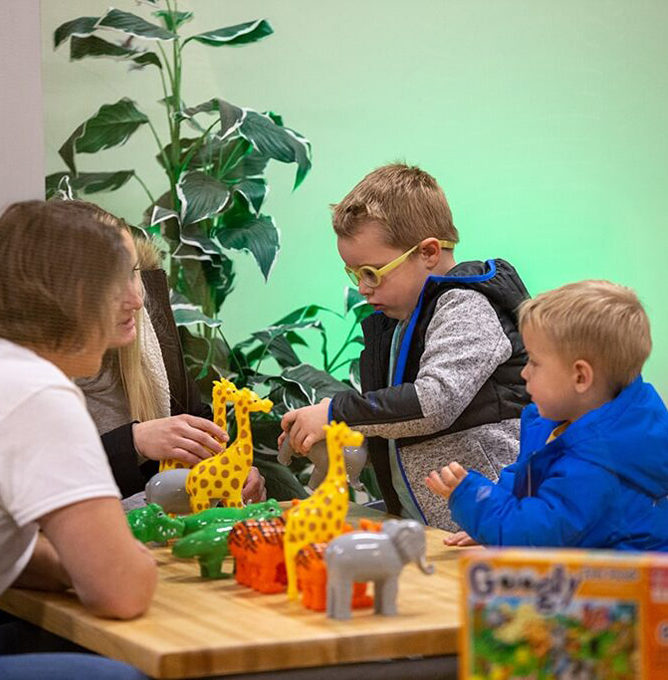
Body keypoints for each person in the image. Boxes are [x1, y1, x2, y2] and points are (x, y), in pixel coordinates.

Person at [280, 163, 530, 529]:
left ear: (428, 252)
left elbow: (433, 403)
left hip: (488, 522)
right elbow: (396, 418)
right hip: (428, 522)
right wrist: (350, 431)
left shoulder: (466, 306)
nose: (363, 287)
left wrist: (338, 413)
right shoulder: (399, 323)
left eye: (372, 272)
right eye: (354, 274)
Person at [0, 200, 156, 676]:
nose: (137, 299)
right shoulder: (36, 393)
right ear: (76, 291)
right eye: (121, 277)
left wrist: (73, 564)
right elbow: (121, 591)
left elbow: (7, 550)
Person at [426, 280, 668, 550]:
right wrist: (492, 524)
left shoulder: (600, 462)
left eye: (534, 362)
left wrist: (476, 501)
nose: (524, 372)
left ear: (580, 377)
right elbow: (524, 482)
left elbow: (536, 537)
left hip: (615, 589)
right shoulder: (559, 422)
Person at [70, 203, 266, 504]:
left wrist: (229, 469)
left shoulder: (150, 334)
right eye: (110, 280)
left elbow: (191, 418)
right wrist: (133, 442)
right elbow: (40, 484)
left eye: (133, 272)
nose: (137, 301)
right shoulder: (25, 384)